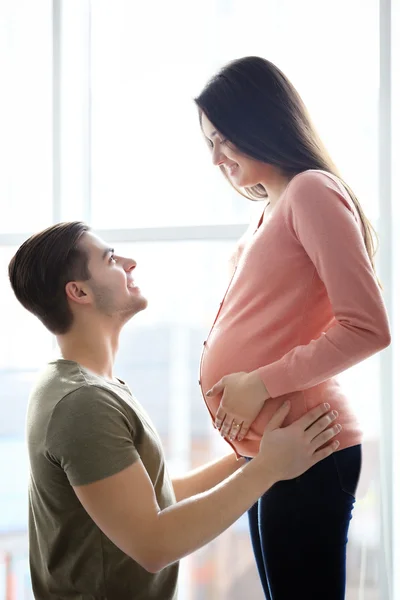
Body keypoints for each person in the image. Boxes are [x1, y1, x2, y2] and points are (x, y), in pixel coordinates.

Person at [8, 222, 341, 600]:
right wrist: (268, 469)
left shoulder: (88, 387)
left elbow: (157, 497)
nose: (130, 263)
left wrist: (250, 457)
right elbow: (154, 545)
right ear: (79, 291)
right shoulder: (82, 404)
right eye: (111, 259)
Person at [195, 56, 391, 600]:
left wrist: (258, 383)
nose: (215, 158)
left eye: (223, 138)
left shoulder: (310, 191)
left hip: (310, 449)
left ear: (258, 120)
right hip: (275, 452)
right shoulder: (268, 209)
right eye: (208, 143)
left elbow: (367, 327)